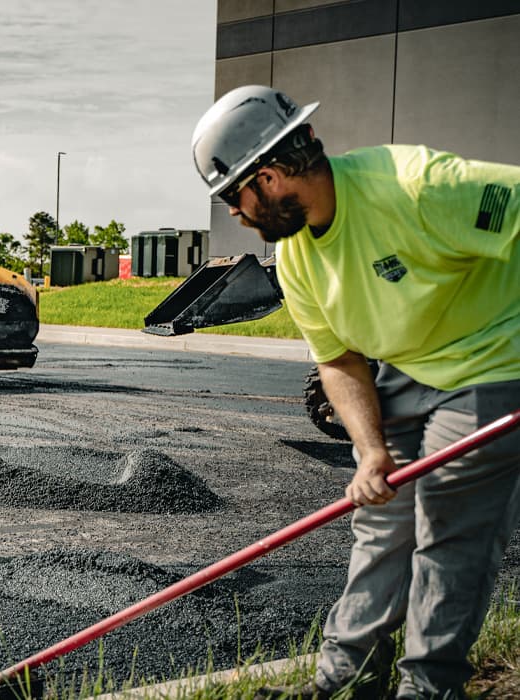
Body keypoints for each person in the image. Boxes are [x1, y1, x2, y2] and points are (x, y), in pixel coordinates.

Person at [190, 85, 519, 699]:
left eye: (234, 197)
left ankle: (427, 688)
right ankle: (347, 682)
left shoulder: (417, 185)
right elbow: (339, 360)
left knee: (447, 528)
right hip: (405, 368)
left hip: (491, 363)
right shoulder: (295, 260)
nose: (234, 214)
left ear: (267, 179)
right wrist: (370, 451)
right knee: (380, 521)